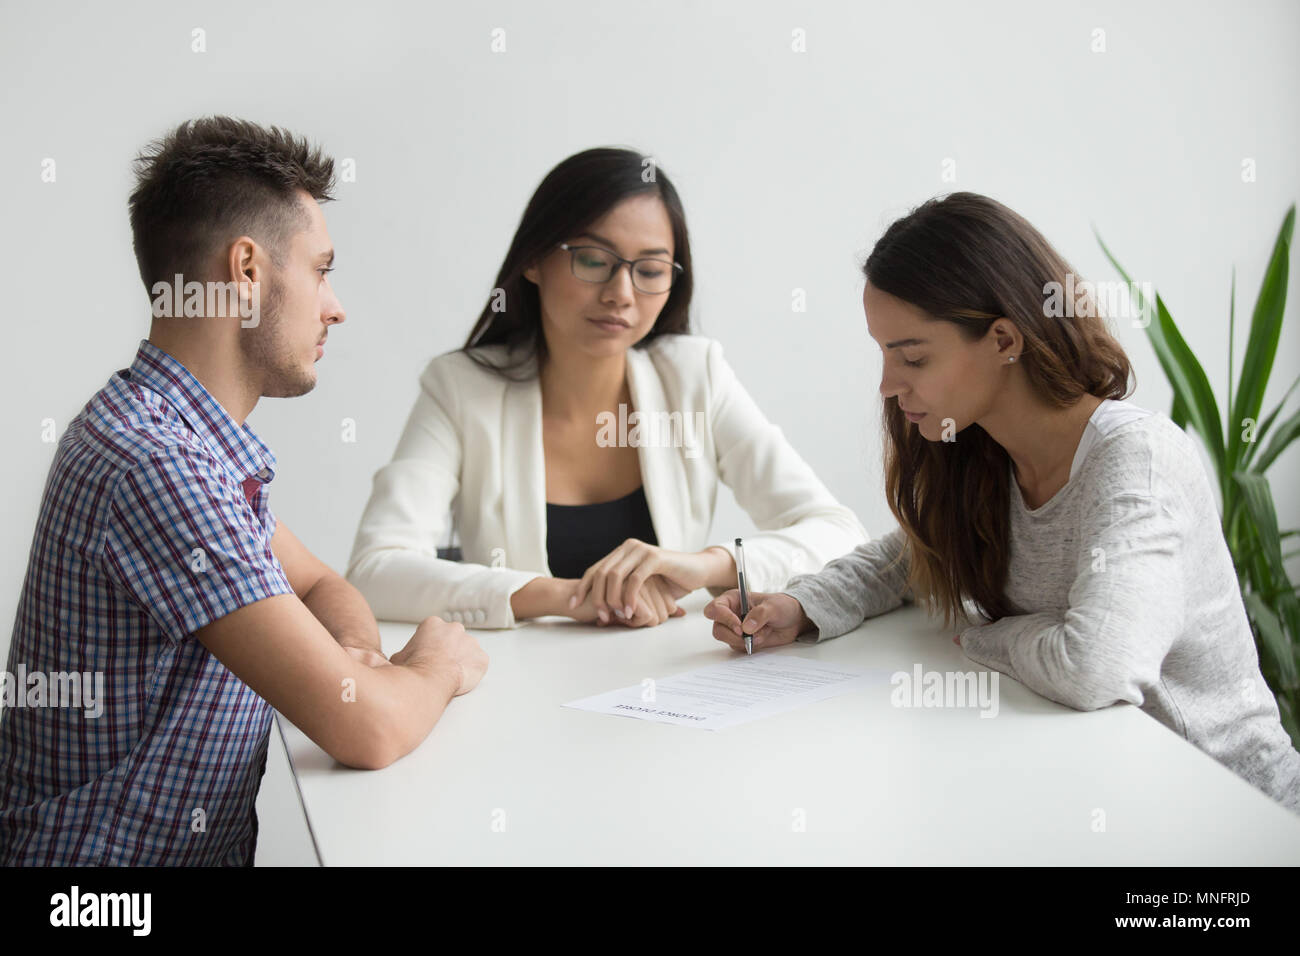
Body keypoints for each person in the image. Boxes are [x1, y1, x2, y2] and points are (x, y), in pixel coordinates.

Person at [705, 191, 1300, 815]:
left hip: (1231, 813)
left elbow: (1097, 667)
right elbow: (912, 557)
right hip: (1109, 795)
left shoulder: (1136, 461)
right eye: (882, 352)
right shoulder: (985, 453)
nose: (887, 385)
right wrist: (802, 605)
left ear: (1003, 340)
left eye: (912, 356)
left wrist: (989, 637)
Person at [0, 117, 486, 866]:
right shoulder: (160, 466)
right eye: (322, 270)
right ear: (249, 271)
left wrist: (358, 662)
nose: (335, 306)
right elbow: (372, 732)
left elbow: (322, 582)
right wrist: (438, 664)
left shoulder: (174, 437)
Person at [346, 147, 867, 630]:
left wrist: (706, 565)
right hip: (515, 692)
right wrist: (571, 597)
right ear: (533, 260)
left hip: (661, 691)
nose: (621, 294)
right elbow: (375, 571)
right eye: (594, 260)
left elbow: (840, 533)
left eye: (650, 269)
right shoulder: (460, 388)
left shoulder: (695, 376)